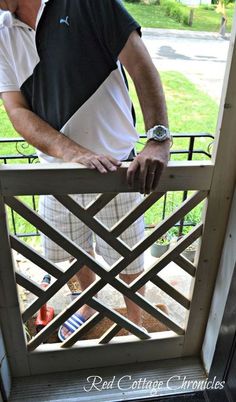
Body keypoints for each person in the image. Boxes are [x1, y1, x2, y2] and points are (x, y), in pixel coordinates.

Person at [0, 0, 171, 341]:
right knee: (73, 252)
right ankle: (88, 303)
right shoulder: (1, 32)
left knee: (129, 258)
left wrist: (158, 139)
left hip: (121, 167)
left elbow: (140, 65)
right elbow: (17, 110)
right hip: (54, 169)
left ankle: (135, 318)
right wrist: (71, 152)